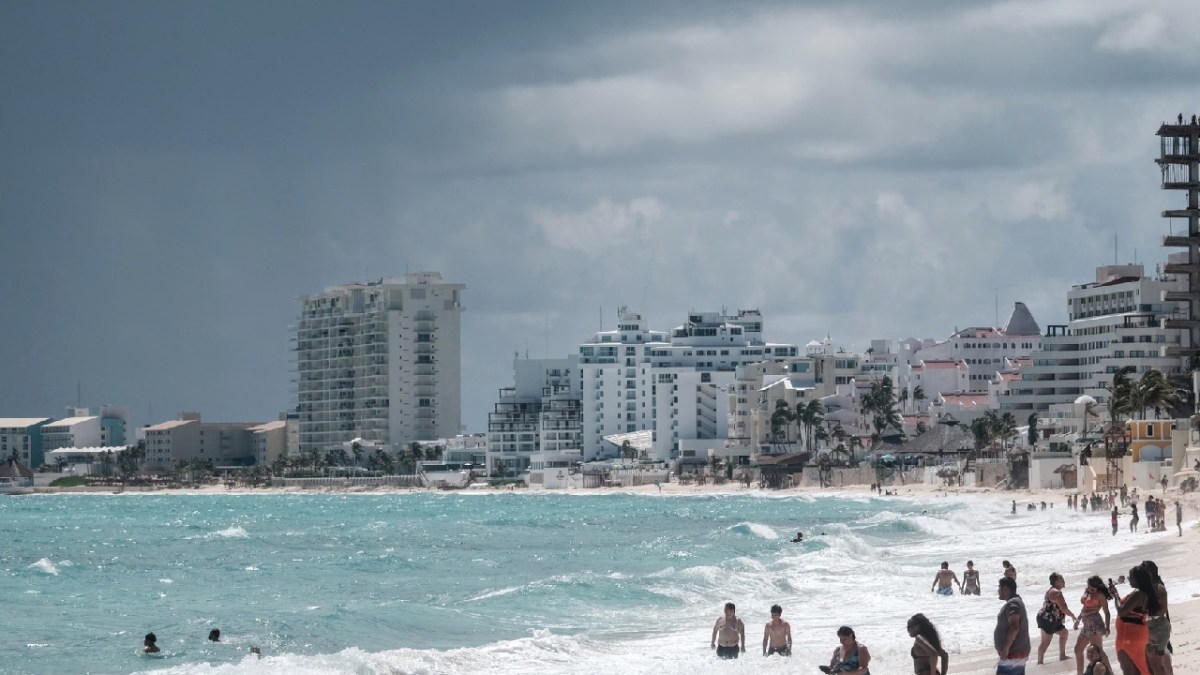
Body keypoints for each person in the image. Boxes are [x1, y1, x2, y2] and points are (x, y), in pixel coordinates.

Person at [1109, 568, 1150, 675]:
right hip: (1133, 633)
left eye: (1130, 577)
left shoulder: (1138, 593)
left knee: (1129, 670)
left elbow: (1122, 611)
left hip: (1128, 636)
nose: (1128, 579)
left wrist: (1116, 596)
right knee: (1139, 668)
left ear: (1137, 579)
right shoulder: (1145, 592)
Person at [1073, 576, 1112, 675]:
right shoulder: (1087, 592)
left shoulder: (1100, 595)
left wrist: (1107, 627)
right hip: (1086, 625)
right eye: (1089, 588)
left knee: (1099, 653)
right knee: (1078, 650)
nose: (1091, 590)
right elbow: (1084, 608)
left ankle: (1110, 673)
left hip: (1095, 624)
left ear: (1097, 588)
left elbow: (1107, 612)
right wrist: (1078, 619)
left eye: (1093, 589)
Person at [1140, 560, 1173, 675]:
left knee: (1160, 663)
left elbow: (1162, 610)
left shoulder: (1157, 587)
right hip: (1153, 625)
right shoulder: (1149, 587)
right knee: (1157, 663)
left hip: (1158, 626)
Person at [1037, 572, 1077, 664]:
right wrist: (1073, 616)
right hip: (1048, 620)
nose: (1063, 581)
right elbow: (1064, 608)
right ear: (1056, 582)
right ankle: (1040, 662)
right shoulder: (1056, 592)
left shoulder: (1051, 590)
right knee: (1046, 641)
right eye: (1061, 579)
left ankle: (1062, 656)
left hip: (1048, 618)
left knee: (1064, 633)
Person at [995, 576, 1030, 675]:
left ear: (1005, 589)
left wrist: (1006, 649)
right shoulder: (1017, 601)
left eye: (999, 588)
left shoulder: (1012, 605)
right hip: (1018, 654)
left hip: (1012, 655)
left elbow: (1014, 627)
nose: (998, 591)